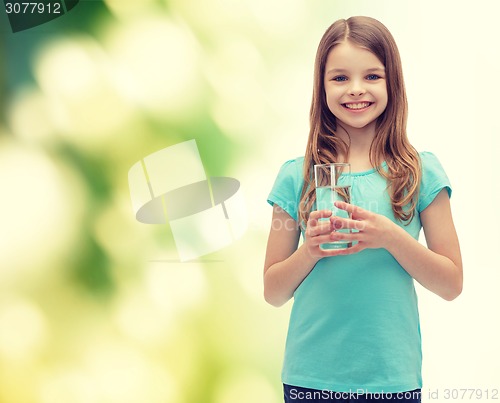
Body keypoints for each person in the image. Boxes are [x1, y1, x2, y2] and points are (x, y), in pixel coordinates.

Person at [264, 16, 463, 403]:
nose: (356, 89)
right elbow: (273, 291)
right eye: (339, 78)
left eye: (372, 76)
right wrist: (311, 250)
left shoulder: (420, 172)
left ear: (393, 83)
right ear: (321, 87)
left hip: (391, 379)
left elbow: (451, 283)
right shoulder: (296, 176)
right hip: (310, 379)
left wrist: (390, 237)